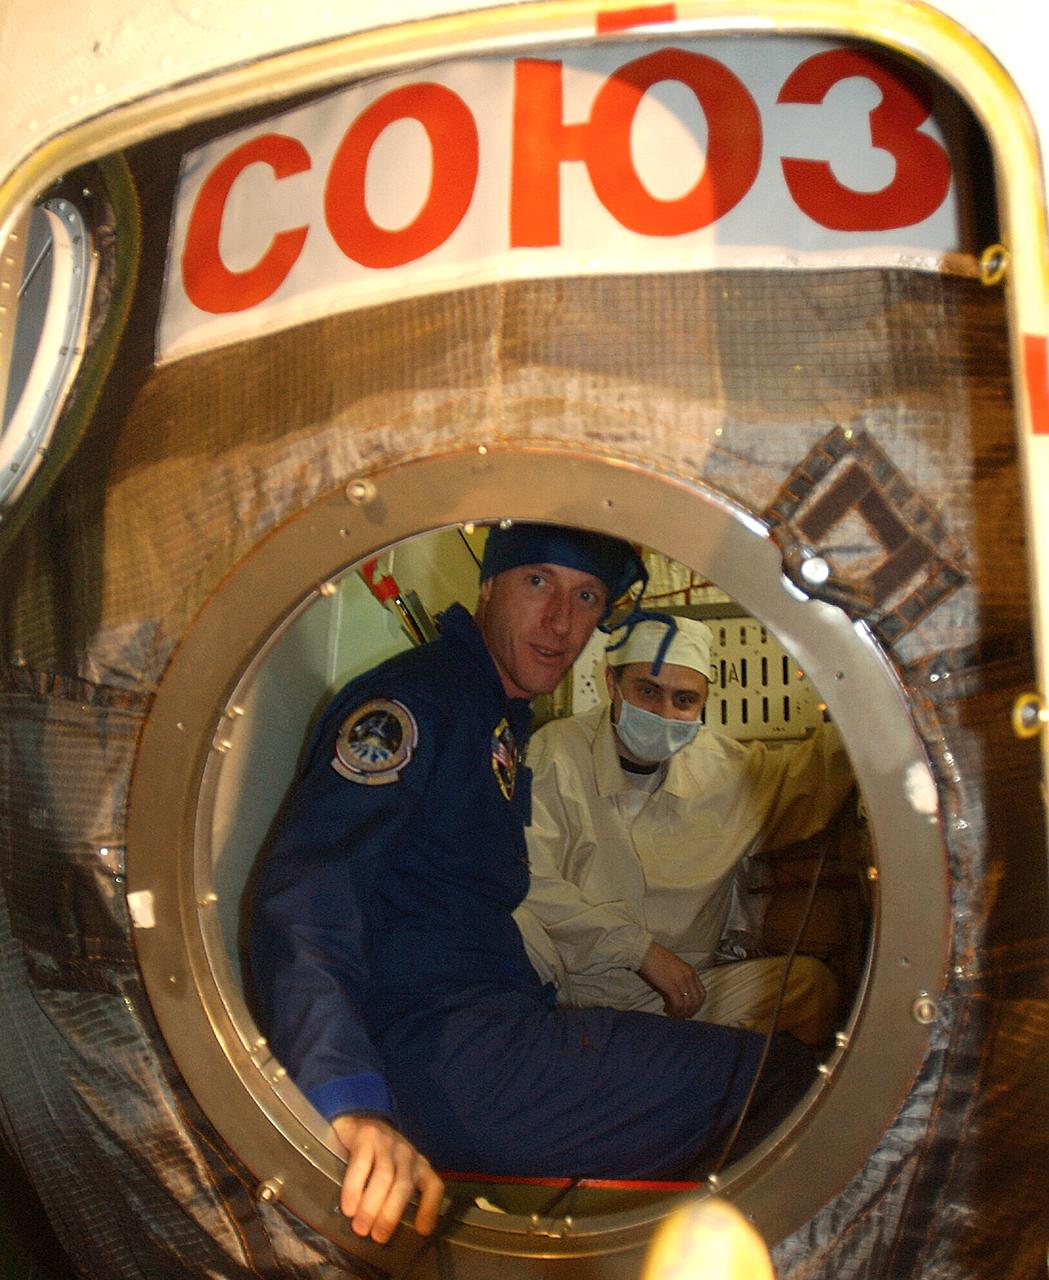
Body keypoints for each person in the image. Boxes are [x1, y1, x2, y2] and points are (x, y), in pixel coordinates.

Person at [249, 525, 816, 1248]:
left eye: (586, 597)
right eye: (537, 583)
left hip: (497, 1024)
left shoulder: (494, 719)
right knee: (785, 1081)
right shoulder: (417, 703)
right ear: (487, 587)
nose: (560, 620)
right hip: (441, 1057)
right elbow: (305, 900)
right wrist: (351, 1102)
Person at [516, 617, 855, 1047]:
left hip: (677, 998)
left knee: (808, 988)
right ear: (611, 683)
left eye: (684, 699)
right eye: (648, 691)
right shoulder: (555, 753)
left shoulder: (722, 770)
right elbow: (527, 880)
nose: (664, 713)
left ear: (703, 704)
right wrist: (640, 951)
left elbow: (817, 775)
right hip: (562, 992)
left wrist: (878, 707)